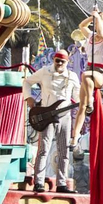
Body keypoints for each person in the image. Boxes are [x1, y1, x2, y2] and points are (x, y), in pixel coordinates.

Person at [23, 50, 79, 192]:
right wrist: (28, 98)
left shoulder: (72, 77)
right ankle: (39, 182)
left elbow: (77, 97)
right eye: (57, 61)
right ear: (53, 60)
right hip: (46, 115)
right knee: (44, 149)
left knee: (64, 151)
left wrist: (86, 104)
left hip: (64, 116)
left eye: (62, 61)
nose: (59, 64)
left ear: (67, 63)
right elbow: (27, 81)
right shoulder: (44, 72)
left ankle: (61, 184)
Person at [71, 6, 103, 139]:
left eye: (98, 22)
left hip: (101, 73)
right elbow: (82, 25)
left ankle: (91, 99)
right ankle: (75, 135)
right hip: (89, 71)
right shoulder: (90, 36)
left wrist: (98, 17)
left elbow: (102, 31)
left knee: (86, 75)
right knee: (81, 106)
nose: (96, 25)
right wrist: (92, 16)